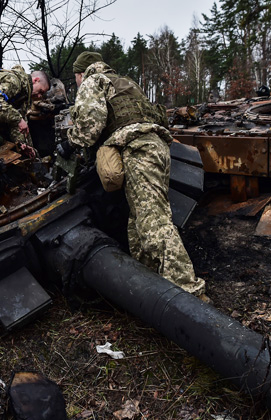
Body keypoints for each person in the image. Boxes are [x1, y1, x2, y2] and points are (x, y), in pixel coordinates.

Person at [66, 51, 206, 298]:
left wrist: (69, 142)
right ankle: (153, 288)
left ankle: (191, 295)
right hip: (158, 148)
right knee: (139, 222)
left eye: (76, 77)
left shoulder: (92, 81)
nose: (77, 82)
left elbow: (89, 127)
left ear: (80, 73)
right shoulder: (125, 82)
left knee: (154, 222)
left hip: (138, 149)